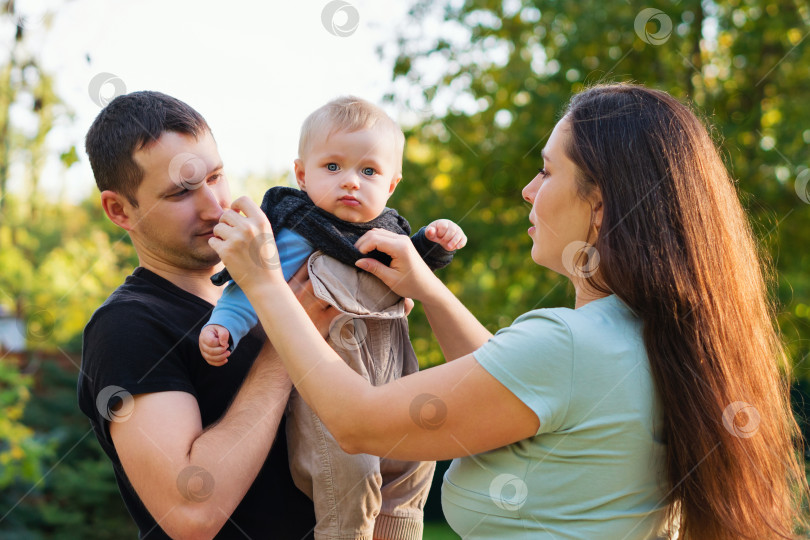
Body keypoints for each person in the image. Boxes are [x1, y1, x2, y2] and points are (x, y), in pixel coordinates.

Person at [207, 83, 809, 539]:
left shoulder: (570, 344)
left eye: (547, 171)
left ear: (598, 208)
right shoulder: (653, 337)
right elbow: (506, 379)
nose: (528, 189)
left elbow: (359, 422)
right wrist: (430, 289)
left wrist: (262, 280)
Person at [199, 96, 467, 540]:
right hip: (328, 406)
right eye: (332, 168)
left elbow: (417, 269)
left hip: (396, 385)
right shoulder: (295, 232)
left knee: (413, 475)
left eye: (368, 171)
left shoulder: (390, 236)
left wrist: (435, 242)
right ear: (301, 175)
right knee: (352, 485)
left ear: (391, 185)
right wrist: (222, 325)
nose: (350, 182)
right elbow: (247, 286)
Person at [77, 90, 317, 539]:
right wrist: (293, 335)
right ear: (119, 210)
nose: (214, 206)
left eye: (216, 176)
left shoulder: (269, 285)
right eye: (181, 192)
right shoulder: (126, 327)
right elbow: (190, 513)